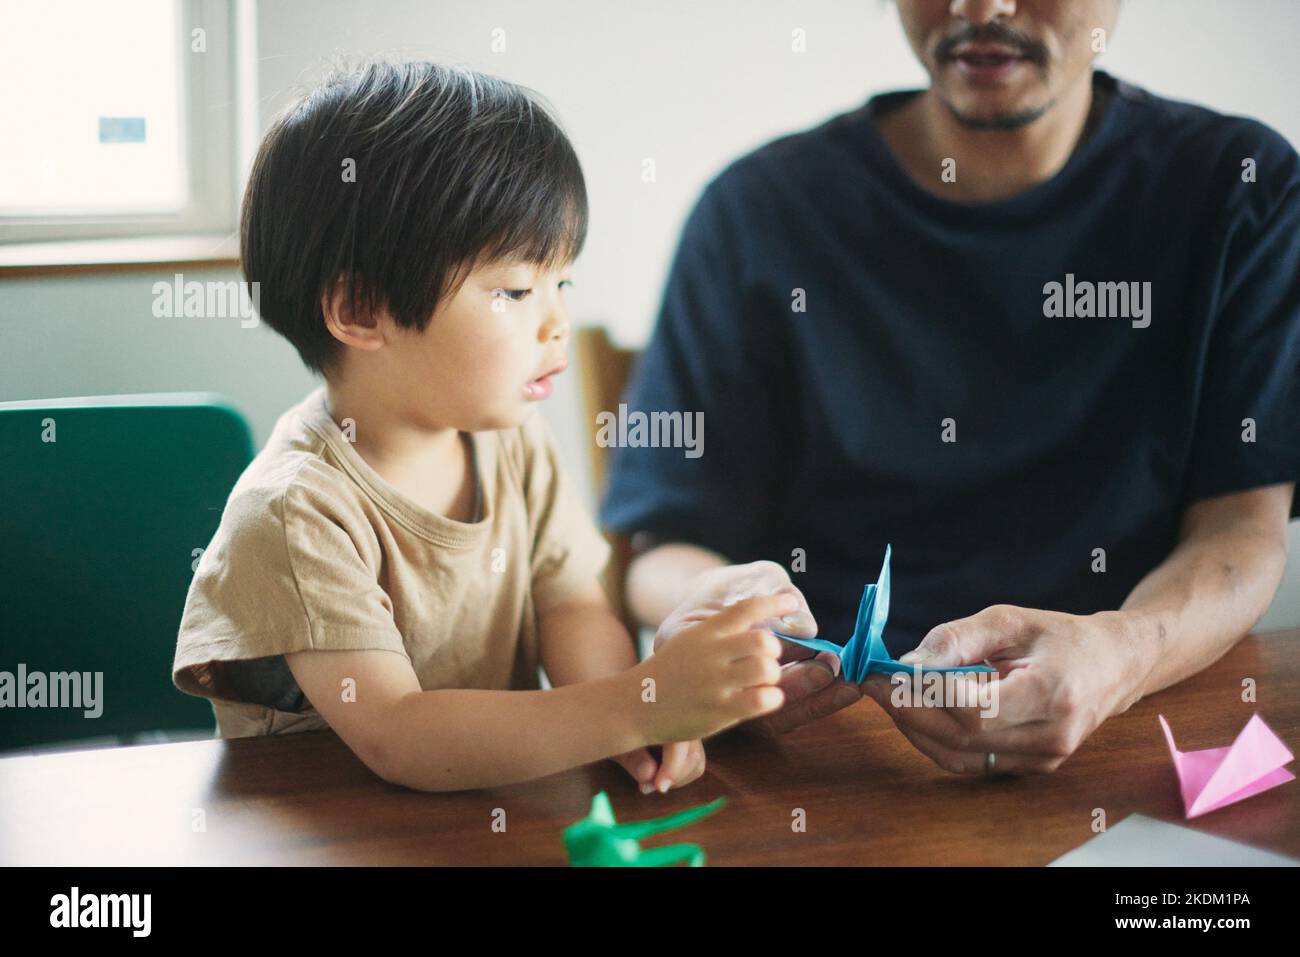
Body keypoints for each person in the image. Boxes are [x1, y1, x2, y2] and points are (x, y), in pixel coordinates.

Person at [602, 0, 1300, 774]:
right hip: (822, 762)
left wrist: (1124, 651)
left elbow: (1243, 528)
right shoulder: (753, 214)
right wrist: (722, 614)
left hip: (1132, 736)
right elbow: (660, 553)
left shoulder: (1246, 189)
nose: (982, 7)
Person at [172, 61, 810, 794]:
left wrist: (639, 723)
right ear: (359, 311)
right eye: (513, 289)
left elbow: (570, 601)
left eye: (560, 282)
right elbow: (400, 734)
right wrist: (631, 705)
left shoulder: (510, 441)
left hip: (478, 816)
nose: (557, 322)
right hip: (339, 830)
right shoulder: (295, 512)